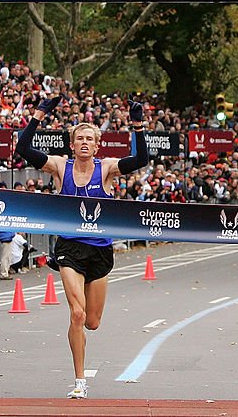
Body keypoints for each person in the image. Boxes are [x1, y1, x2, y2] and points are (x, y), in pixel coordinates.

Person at [14, 95, 150, 399]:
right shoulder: (61, 166)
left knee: (92, 322)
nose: (85, 143)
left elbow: (141, 160)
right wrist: (37, 115)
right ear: (72, 145)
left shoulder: (108, 169)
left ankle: (81, 366)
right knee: (77, 314)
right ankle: (79, 381)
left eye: (90, 138)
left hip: (100, 250)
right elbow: (22, 149)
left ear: (97, 144)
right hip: (70, 248)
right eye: (80, 139)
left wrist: (138, 126)